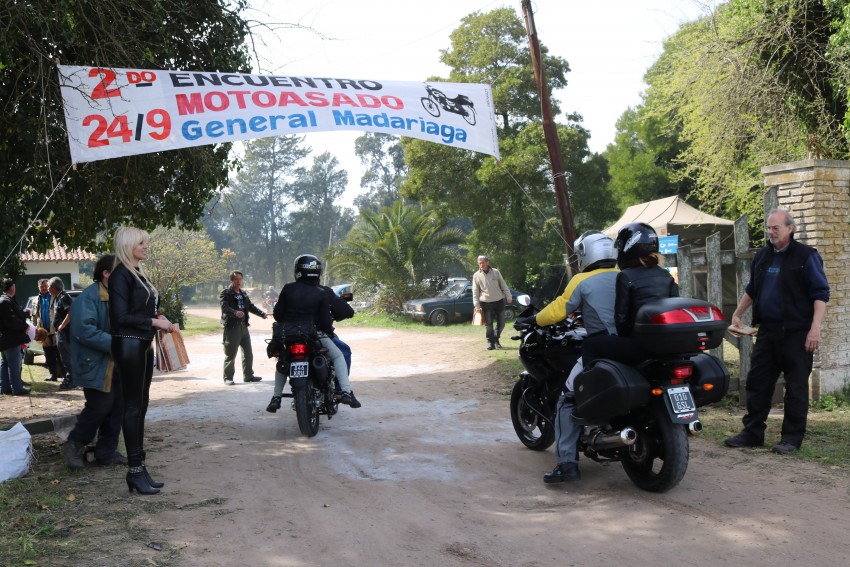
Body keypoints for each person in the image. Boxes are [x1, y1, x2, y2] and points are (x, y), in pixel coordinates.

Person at [724, 209, 829, 455]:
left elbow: (820, 294)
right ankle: (752, 433)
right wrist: (738, 313)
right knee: (758, 383)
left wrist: (815, 329)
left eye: (775, 228)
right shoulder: (762, 256)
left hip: (797, 333)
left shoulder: (806, 256)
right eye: (768, 228)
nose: (770, 232)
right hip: (767, 332)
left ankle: (791, 438)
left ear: (790, 228)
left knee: (796, 387)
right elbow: (752, 289)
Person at [527, 231, 619, 484]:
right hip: (630, 346)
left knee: (567, 399)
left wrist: (535, 319)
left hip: (601, 347)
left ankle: (567, 464)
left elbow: (560, 307)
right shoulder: (624, 276)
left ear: (585, 255)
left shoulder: (582, 280)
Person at [109, 226, 175, 495]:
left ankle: (139, 467)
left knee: (141, 405)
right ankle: (134, 471)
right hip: (128, 344)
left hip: (142, 344)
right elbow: (120, 317)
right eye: (142, 243)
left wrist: (158, 319)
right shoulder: (120, 276)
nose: (146, 246)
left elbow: (138, 309)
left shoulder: (136, 273)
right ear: (128, 245)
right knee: (133, 407)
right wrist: (154, 321)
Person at [265, 254, 361, 413]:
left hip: (289, 336)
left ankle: (276, 397)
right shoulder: (321, 291)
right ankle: (345, 391)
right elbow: (325, 320)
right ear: (318, 272)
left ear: (298, 271)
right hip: (314, 335)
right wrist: (327, 329)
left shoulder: (288, 288)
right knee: (339, 355)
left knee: (283, 359)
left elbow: (278, 315)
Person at [580, 222, 679, 369]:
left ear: (628, 247)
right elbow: (674, 307)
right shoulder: (666, 275)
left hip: (641, 346)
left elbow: (621, 319)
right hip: (667, 345)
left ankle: (588, 388)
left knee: (590, 345)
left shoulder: (625, 276)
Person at [61, 255, 127, 469]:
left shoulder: (118, 295)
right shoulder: (88, 298)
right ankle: (74, 444)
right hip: (96, 364)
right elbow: (85, 332)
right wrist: (118, 344)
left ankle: (105, 453)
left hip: (116, 363)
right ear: (106, 273)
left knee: (117, 407)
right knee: (99, 406)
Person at [220, 270, 268, 386]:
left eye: (240, 279)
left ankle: (248, 375)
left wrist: (262, 314)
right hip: (232, 327)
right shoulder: (226, 293)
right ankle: (228, 378)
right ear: (231, 280)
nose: (238, 281)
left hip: (244, 327)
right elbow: (224, 308)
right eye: (236, 279)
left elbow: (250, 306)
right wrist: (235, 312)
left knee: (248, 353)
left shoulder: (243, 293)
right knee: (231, 354)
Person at [472, 255, 513, 350]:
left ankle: (496, 339)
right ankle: (491, 343)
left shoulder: (496, 272)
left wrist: (509, 296)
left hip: (499, 301)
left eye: (483, 262)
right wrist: (476, 305)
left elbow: (503, 285)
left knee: (502, 323)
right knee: (489, 324)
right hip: (485, 303)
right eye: (479, 263)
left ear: (487, 262)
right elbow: (475, 292)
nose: (481, 265)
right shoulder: (476, 275)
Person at [0, 279, 32, 396]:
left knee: (5, 363)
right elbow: (11, 321)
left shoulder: (6, 300)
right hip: (11, 338)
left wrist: (24, 314)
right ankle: (17, 388)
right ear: (11, 288)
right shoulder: (5, 301)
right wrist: (25, 326)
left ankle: (5, 387)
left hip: (7, 338)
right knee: (14, 363)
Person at [32, 278, 63, 382]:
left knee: (59, 353)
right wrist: (34, 328)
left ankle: (65, 375)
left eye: (46, 286)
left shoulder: (55, 297)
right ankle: (53, 375)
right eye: (42, 286)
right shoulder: (35, 300)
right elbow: (34, 316)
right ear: (38, 287)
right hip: (43, 332)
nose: (44, 288)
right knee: (48, 354)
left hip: (54, 330)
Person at [48, 277, 75, 390]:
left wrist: (62, 325)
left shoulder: (64, 297)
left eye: (49, 286)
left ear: (54, 287)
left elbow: (72, 311)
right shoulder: (58, 297)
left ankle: (72, 381)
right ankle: (69, 378)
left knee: (66, 357)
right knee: (64, 357)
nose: (48, 289)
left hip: (65, 333)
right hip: (61, 333)